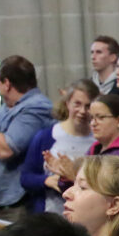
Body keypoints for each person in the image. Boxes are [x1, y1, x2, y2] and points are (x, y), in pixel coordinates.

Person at [22, 79, 98, 215]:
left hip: (86, 216)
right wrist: (46, 180)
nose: (82, 111)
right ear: (67, 103)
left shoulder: (97, 141)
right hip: (49, 214)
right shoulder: (46, 136)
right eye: (77, 104)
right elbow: (26, 177)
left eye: (88, 106)